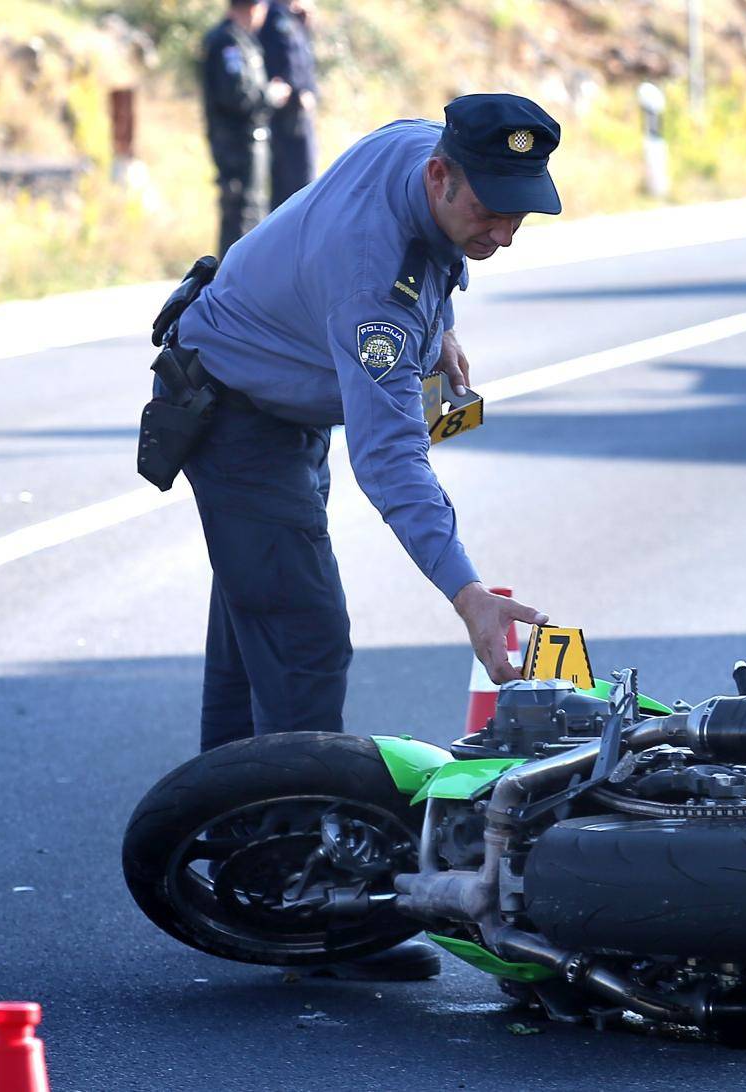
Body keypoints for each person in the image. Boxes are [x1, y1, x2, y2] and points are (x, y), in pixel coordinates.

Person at [168, 96, 561, 974]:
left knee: (259, 628)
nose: (501, 232)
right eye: (487, 211)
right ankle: (313, 909)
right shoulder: (369, 289)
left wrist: (443, 323)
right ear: (440, 176)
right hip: (240, 418)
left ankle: (230, 843)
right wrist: (470, 597)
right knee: (305, 639)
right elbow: (390, 461)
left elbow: (431, 237)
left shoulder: (423, 149)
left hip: (277, 393)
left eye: (519, 211)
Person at [199, 0, 292, 257]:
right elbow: (237, 96)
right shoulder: (227, 43)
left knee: (252, 214)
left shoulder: (243, 40)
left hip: (249, 143)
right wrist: (270, 94)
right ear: (254, 8)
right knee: (240, 218)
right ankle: (225, 290)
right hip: (236, 145)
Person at [258, 0, 319, 209]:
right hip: (284, 115)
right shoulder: (272, 15)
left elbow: (304, 61)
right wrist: (296, 93)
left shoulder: (294, 16)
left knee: (305, 182)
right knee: (290, 188)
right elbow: (279, 65)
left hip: (300, 116)